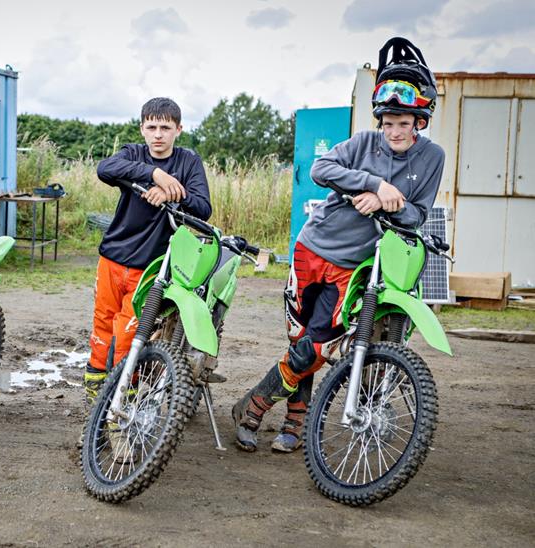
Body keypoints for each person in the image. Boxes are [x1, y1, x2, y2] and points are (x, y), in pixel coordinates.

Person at [232, 37, 445, 453]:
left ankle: (253, 405)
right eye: (388, 121)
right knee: (298, 341)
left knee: (317, 344)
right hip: (311, 248)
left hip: (354, 265)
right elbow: (321, 168)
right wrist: (371, 183)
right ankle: (295, 424)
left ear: (420, 121)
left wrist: (383, 206)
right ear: (379, 120)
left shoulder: (431, 158)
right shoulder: (363, 144)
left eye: (404, 122)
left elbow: (418, 214)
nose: (394, 131)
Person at [83, 97, 212, 410]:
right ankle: (95, 394)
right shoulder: (132, 153)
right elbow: (105, 169)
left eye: (165, 128)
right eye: (151, 127)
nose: (158, 134)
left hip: (152, 263)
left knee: (128, 329)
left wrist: (172, 192)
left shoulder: (188, 162)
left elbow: (203, 208)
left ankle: (124, 392)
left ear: (178, 130)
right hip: (113, 255)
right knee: (102, 324)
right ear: (142, 128)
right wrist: (155, 175)